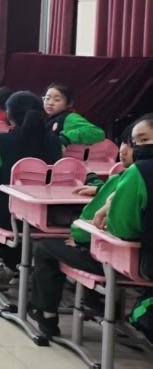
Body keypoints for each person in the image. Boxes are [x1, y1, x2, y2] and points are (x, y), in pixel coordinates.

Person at [27, 115, 153, 337]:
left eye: (140, 142)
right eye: (130, 142)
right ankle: (100, 303)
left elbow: (121, 229)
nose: (127, 150)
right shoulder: (126, 177)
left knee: (47, 248)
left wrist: (82, 234)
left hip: (131, 262)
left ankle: (46, 315)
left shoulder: (137, 173)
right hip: (139, 260)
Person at [0, 91, 63, 275]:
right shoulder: (53, 140)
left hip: (9, 210)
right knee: (16, 229)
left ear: (9, 115)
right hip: (46, 213)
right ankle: (15, 266)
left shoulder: (3, 141)